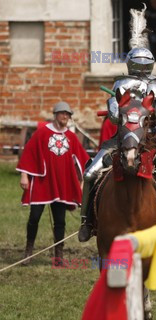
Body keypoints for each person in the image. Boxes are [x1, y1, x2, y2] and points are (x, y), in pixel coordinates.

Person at [78, 6, 156, 242]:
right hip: (121, 140)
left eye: (144, 63)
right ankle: (86, 222)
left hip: (153, 142)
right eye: (137, 63)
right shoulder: (121, 85)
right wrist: (118, 107)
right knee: (90, 174)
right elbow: (114, 115)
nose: (141, 67)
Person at [16, 102, 90, 264]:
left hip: (61, 185)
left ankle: (58, 256)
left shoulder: (71, 137)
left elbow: (83, 160)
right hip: (43, 182)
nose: (66, 117)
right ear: (55, 114)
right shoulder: (42, 132)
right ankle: (28, 252)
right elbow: (29, 154)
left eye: (68, 114)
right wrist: (24, 176)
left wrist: (83, 181)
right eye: (63, 113)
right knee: (34, 217)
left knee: (60, 221)